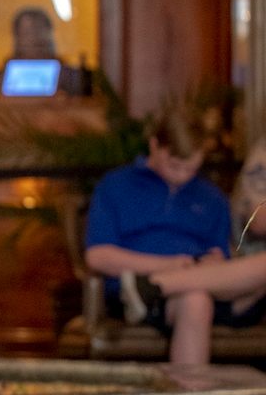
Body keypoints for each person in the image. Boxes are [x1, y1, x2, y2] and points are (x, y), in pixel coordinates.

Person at [84, 108, 266, 367]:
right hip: (141, 296)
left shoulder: (211, 196)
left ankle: (158, 284)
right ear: (155, 145)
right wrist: (167, 265)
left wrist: (214, 263)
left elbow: (221, 259)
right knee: (195, 300)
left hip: (212, 288)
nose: (182, 176)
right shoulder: (116, 186)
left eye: (190, 169)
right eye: (174, 166)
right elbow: (98, 256)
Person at [0, 6, 88, 97]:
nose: (33, 38)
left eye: (38, 31)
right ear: (17, 37)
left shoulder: (71, 76)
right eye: (27, 33)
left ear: (49, 34)